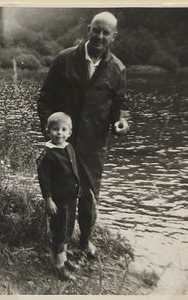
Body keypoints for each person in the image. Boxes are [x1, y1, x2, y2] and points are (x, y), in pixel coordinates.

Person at [37, 11, 129, 258]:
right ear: (88, 29)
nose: (99, 36)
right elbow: (44, 99)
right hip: (61, 144)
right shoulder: (64, 59)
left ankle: (86, 240)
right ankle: (60, 246)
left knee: (89, 196)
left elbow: (120, 106)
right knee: (62, 197)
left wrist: (120, 122)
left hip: (93, 145)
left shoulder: (118, 69)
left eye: (105, 32)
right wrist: (50, 130)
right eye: (96, 30)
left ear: (113, 36)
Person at [37, 112, 79, 281]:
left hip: (70, 197)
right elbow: (44, 179)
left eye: (63, 129)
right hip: (57, 200)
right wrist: (48, 199)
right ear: (48, 131)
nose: (59, 133)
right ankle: (57, 265)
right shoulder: (48, 154)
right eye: (55, 129)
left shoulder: (68, 147)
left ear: (69, 132)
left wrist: (78, 189)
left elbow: (73, 170)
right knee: (58, 230)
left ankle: (64, 258)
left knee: (68, 228)